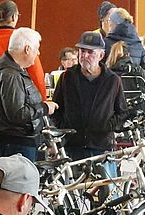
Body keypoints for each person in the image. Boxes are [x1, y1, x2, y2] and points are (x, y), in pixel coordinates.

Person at [52, 31, 128, 162]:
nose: (85, 55)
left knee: (104, 183)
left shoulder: (112, 80)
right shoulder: (67, 77)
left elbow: (122, 112)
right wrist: (64, 126)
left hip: (101, 147)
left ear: (101, 55)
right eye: (82, 51)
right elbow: (56, 107)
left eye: (90, 52)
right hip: (72, 146)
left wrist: (107, 126)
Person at [0, 27, 56, 161]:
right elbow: (17, 114)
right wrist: (45, 108)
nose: (38, 53)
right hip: (17, 143)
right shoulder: (9, 74)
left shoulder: (12, 68)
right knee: (21, 181)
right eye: (36, 48)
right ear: (27, 49)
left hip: (19, 140)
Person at [0, 1, 46, 104]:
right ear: (13, 17)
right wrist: (42, 101)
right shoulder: (24, 38)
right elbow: (36, 73)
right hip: (23, 101)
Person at [104, 8, 145, 72]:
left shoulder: (106, 43)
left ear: (115, 23)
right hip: (134, 81)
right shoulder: (138, 44)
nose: (109, 24)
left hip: (112, 81)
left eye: (110, 21)